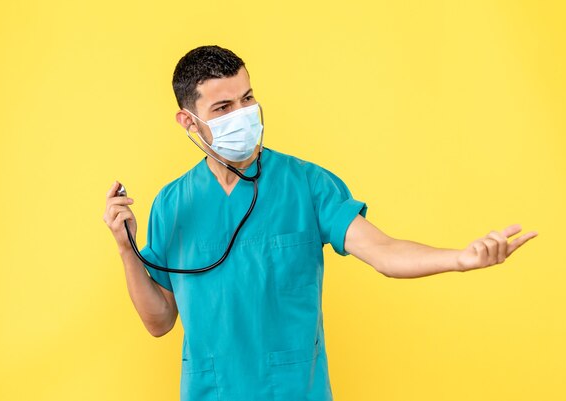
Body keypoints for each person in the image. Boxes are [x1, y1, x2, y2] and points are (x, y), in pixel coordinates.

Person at [103, 45, 538, 401]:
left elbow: (383, 251)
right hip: (210, 392)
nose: (244, 114)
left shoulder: (307, 184)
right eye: (224, 106)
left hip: (296, 391)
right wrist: (126, 249)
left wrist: (460, 258)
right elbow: (159, 321)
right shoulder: (171, 204)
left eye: (248, 98)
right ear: (189, 122)